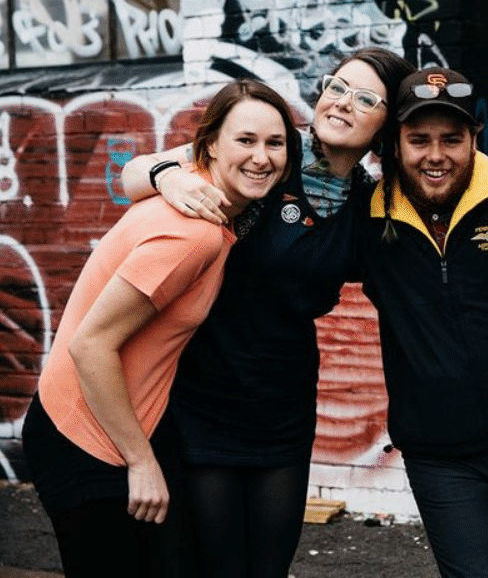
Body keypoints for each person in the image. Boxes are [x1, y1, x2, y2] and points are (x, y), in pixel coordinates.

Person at [119, 48, 414, 578]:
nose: (342, 103)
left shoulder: (371, 204)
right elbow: (132, 175)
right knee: (218, 564)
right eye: (337, 86)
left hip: (284, 406)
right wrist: (170, 175)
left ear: (387, 124)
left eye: (366, 98)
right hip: (204, 398)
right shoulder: (271, 154)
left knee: (269, 565)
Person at [22, 80, 297, 577]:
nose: (261, 157)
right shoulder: (193, 235)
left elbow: (139, 170)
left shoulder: (198, 189)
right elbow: (91, 344)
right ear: (210, 143)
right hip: (83, 434)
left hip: (128, 423)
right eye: (246, 140)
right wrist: (140, 462)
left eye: (274, 144)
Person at [354, 67, 488, 578]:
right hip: (442, 456)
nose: (435, 156)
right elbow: (281, 185)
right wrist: (169, 168)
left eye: (452, 139)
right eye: (418, 139)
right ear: (394, 144)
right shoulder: (367, 215)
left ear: (474, 137)